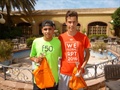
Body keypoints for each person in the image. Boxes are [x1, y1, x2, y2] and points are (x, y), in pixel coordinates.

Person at [58, 10, 91, 90]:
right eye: (69, 22)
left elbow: (87, 54)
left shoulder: (84, 37)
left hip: (78, 73)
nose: (72, 25)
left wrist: (82, 67)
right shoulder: (60, 37)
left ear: (77, 22)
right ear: (66, 22)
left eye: (74, 22)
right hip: (64, 73)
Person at [30, 20, 61, 90]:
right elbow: (31, 56)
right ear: (42, 31)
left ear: (53, 30)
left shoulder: (58, 42)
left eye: (50, 29)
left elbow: (63, 56)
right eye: (45, 29)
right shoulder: (36, 41)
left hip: (52, 78)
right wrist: (35, 59)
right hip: (39, 78)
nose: (47, 31)